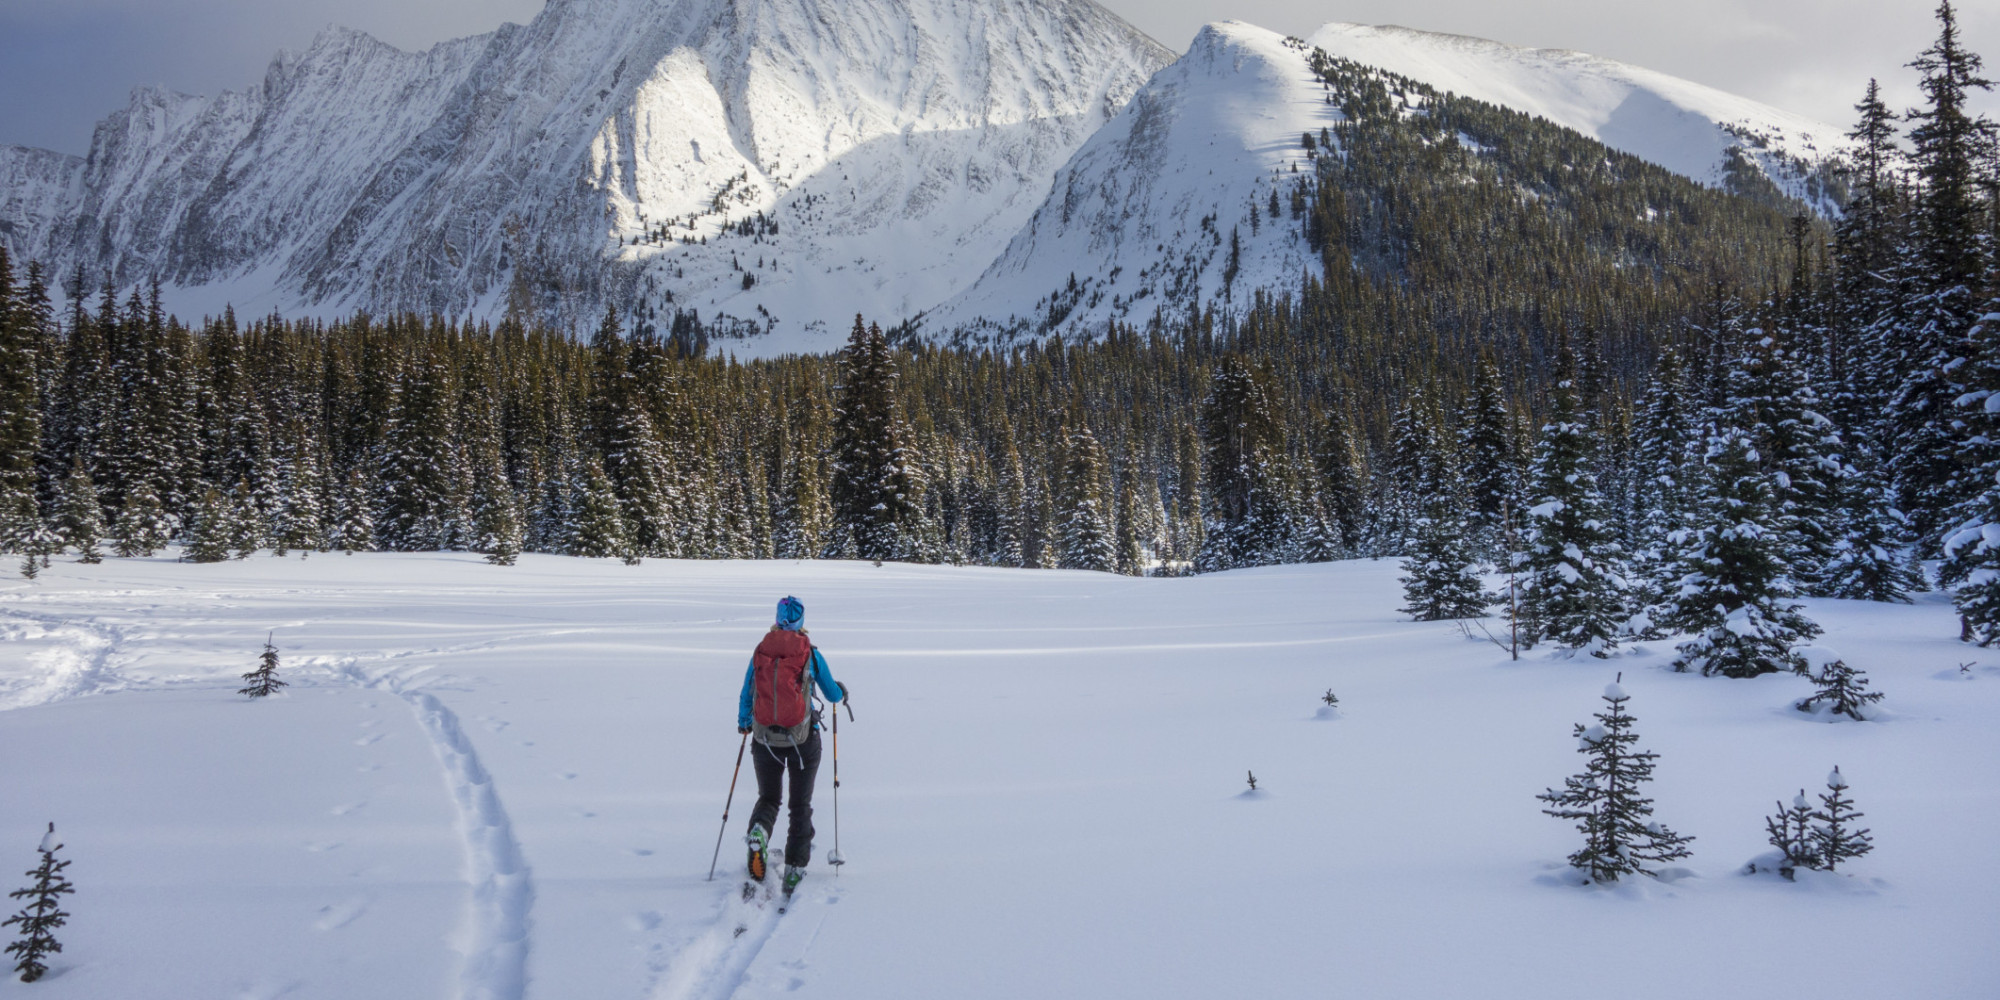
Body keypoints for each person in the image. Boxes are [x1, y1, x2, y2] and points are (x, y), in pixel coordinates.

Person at [739, 595, 846, 893]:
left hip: (764, 739)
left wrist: (744, 722)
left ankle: (759, 832)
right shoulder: (809, 652)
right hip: (802, 739)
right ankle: (795, 867)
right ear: (801, 621)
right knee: (800, 805)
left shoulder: (761, 650)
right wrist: (842, 693)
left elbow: (747, 691)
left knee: (769, 798)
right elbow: (831, 692)